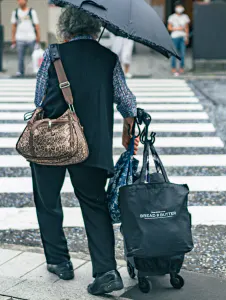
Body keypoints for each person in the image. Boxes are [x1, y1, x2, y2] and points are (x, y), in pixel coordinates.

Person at [31, 6, 139, 296]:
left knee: (48, 201)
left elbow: (39, 96)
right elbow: (126, 100)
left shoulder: (53, 55)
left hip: (51, 140)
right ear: (94, 30)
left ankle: (59, 262)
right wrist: (128, 129)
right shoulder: (109, 58)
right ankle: (106, 271)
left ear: (65, 30)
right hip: (92, 144)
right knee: (94, 205)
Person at [11, 0, 40, 77]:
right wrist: (13, 38)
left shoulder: (32, 11)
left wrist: (38, 37)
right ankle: (20, 71)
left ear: (26, 1)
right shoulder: (16, 12)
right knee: (20, 56)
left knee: (34, 56)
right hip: (20, 37)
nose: (20, 1)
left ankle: (37, 70)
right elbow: (14, 25)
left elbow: (37, 25)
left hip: (31, 37)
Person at [168, 1, 190, 76]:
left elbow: (186, 28)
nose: (179, 8)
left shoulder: (185, 17)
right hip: (174, 37)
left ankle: (181, 68)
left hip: (182, 37)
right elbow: (169, 27)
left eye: (181, 7)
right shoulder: (172, 17)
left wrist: (187, 37)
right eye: (178, 7)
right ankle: (173, 68)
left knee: (183, 53)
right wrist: (179, 28)